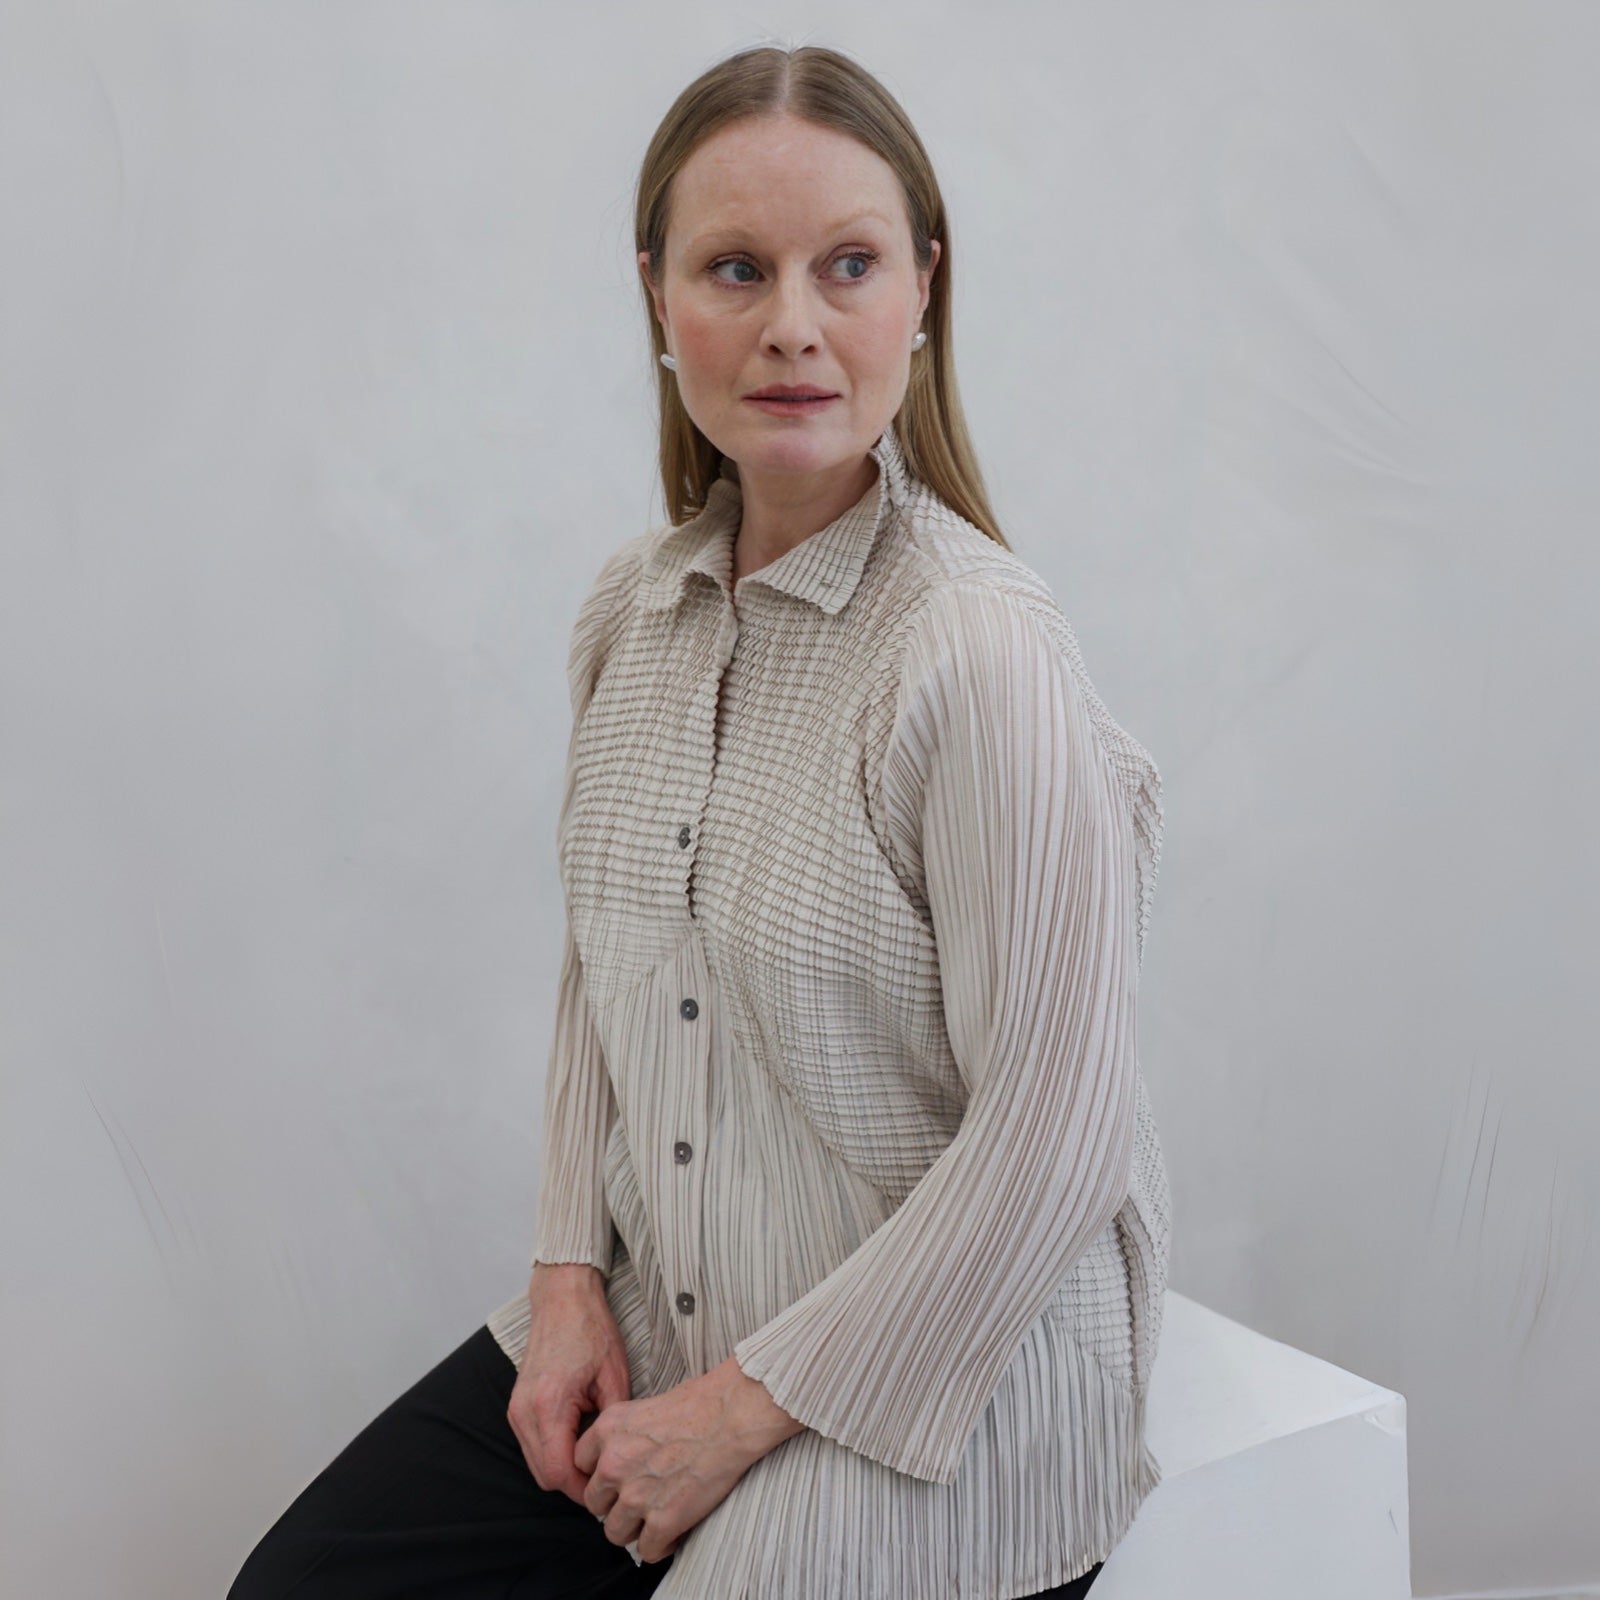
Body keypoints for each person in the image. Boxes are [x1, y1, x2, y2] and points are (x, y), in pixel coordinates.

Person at [228, 40, 1170, 1600]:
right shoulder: (633, 613)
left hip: (946, 1377)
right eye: (736, 268)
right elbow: (607, 967)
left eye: (847, 265)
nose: (793, 323)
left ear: (922, 292)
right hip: (669, 1307)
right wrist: (566, 1279)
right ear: (658, 298)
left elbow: (1060, 1141)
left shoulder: (980, 654)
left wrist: (738, 1414)